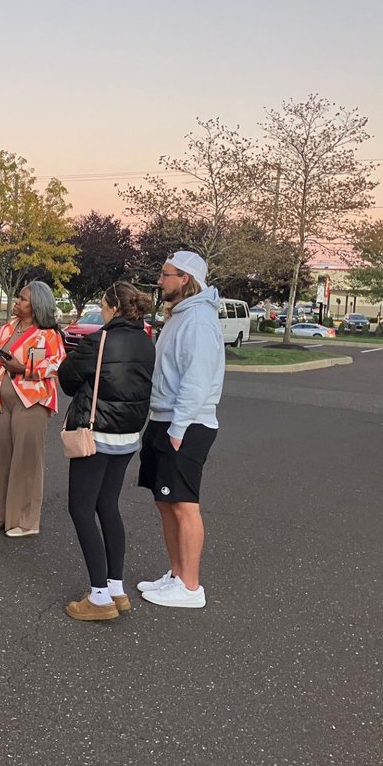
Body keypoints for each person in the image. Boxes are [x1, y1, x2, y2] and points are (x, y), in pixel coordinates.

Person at [58, 282, 155, 621]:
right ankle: (115, 587)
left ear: (113, 306)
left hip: (95, 433)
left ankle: (99, 595)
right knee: (108, 505)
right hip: (128, 434)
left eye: (102, 304)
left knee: (81, 508)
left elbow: (67, 379)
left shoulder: (98, 341)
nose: (100, 309)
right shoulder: (146, 341)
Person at [136, 251, 224, 609]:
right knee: (165, 501)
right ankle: (176, 574)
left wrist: (178, 427)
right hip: (166, 419)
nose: (160, 281)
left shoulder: (199, 320)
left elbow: (197, 379)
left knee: (184, 505)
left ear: (185, 278)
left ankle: (190, 587)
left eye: (166, 274)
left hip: (185, 424)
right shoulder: (180, 316)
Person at [0, 280, 66, 537]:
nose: (17, 302)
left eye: (23, 299)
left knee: (26, 460)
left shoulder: (49, 335)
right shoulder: (8, 328)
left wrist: (24, 369)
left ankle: (25, 520)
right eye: (18, 298)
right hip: (1, 401)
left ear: (37, 305)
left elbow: (56, 365)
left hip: (32, 402)